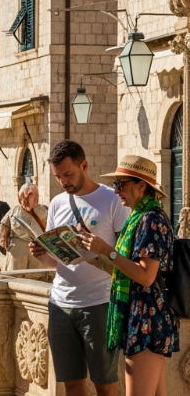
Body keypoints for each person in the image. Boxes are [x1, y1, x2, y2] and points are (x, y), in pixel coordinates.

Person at [28, 140, 129, 396]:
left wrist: (98, 251)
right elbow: (58, 263)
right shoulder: (57, 203)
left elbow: (125, 261)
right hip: (60, 303)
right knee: (71, 385)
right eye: (58, 177)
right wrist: (42, 255)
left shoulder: (113, 200)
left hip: (99, 303)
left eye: (68, 174)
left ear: (84, 165)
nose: (63, 181)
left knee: (105, 384)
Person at [81, 155, 179, 396]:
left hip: (146, 319)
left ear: (141, 186)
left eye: (120, 184)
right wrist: (94, 258)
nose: (116, 191)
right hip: (145, 316)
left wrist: (107, 250)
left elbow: (146, 276)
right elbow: (127, 271)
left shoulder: (150, 219)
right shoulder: (141, 217)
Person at [0, 183, 48, 271]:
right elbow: (4, 228)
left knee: (37, 276)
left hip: (37, 249)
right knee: (16, 276)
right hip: (17, 250)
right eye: (23, 197)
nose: (25, 201)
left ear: (36, 199)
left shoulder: (43, 210)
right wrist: (3, 243)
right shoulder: (14, 211)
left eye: (29, 197)